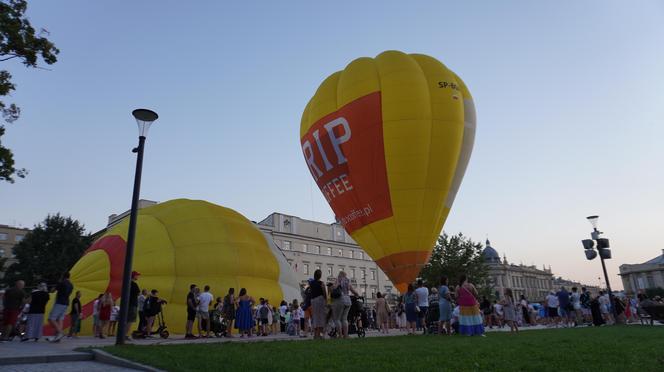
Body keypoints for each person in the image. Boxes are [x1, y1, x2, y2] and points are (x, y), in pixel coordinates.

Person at [330, 271, 359, 339]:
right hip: (348, 300)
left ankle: (340, 335)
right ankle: (346, 335)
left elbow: (334, 287)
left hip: (340, 300)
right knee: (344, 319)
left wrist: (332, 287)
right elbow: (353, 291)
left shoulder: (338, 280)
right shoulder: (347, 281)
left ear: (339, 275)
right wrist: (357, 295)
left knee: (337, 319)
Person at [48, 272, 73, 342]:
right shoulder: (71, 285)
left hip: (59, 302)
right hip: (66, 303)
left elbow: (52, 291)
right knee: (60, 319)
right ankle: (58, 337)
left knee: (51, 318)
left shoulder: (61, 283)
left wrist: (57, 283)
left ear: (63, 276)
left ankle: (60, 332)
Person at [309, 269, 327, 339]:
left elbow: (310, 292)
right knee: (321, 317)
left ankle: (315, 334)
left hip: (313, 300)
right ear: (320, 276)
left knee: (315, 317)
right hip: (320, 300)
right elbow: (324, 293)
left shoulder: (311, 283)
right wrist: (326, 300)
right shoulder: (321, 283)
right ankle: (318, 334)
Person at [125, 270, 141, 340]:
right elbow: (138, 293)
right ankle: (125, 335)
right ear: (134, 276)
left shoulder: (126, 283)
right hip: (133, 304)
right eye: (137, 275)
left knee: (126, 320)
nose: (138, 276)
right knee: (130, 320)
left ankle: (122, 334)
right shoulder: (134, 284)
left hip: (127, 304)